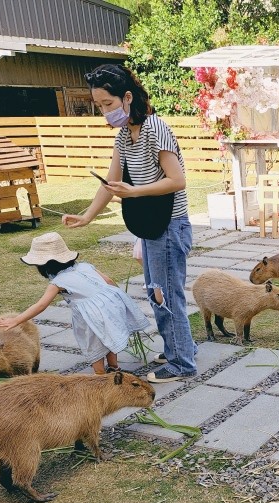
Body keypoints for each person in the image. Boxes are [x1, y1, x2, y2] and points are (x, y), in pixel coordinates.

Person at [62, 64, 197, 383]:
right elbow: (111, 182)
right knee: (157, 293)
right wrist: (87, 216)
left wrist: (135, 191)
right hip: (151, 226)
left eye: (107, 105)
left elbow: (177, 180)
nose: (105, 112)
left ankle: (181, 363)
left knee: (165, 294)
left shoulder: (155, 128)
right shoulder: (125, 136)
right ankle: (181, 348)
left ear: (126, 98)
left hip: (170, 224)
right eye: (99, 107)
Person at [0, 233, 151, 375]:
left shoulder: (57, 282)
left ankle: (100, 375)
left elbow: (41, 305)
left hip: (91, 315)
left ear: (43, 266)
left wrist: (16, 320)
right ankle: (114, 367)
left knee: (94, 344)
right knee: (108, 336)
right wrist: (117, 302)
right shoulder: (85, 266)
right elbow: (109, 281)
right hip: (111, 304)